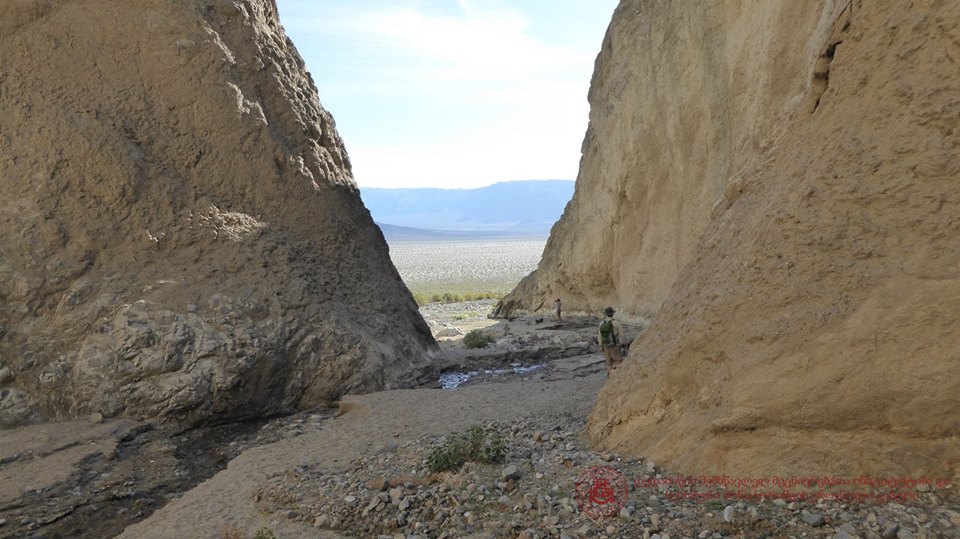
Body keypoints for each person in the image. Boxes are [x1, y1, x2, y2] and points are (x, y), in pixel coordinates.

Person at [598, 306, 625, 375]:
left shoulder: (601, 324)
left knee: (608, 363)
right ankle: (616, 377)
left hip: (605, 346)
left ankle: (609, 375)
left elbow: (599, 336)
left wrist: (601, 346)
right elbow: (622, 335)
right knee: (618, 361)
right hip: (615, 345)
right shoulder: (616, 323)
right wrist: (624, 343)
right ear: (612, 313)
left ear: (606, 314)